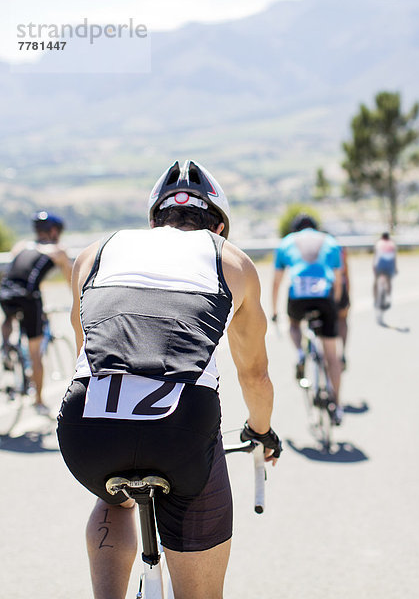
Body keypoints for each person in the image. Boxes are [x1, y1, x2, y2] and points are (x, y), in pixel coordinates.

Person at [57, 160, 281, 599]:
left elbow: (84, 348)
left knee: (114, 495)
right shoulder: (232, 260)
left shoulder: (95, 252)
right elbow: (254, 373)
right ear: (218, 227)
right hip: (181, 427)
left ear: (154, 221)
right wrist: (260, 431)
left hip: (86, 422)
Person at [271, 213, 343, 424]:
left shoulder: (286, 242)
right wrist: (335, 305)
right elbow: (338, 280)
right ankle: (337, 406)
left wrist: (275, 312)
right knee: (332, 356)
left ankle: (301, 353)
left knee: (294, 325)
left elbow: (276, 282)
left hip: (298, 298)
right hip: (325, 298)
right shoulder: (330, 242)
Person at [0, 211, 72, 413]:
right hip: (30, 297)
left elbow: (14, 270)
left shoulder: (21, 245)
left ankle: (6, 347)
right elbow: (70, 279)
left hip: (6, 292)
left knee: (9, 316)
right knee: (35, 351)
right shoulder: (58, 249)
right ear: (54, 231)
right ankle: (38, 401)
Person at [373, 231, 397, 307]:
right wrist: (395, 268)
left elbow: (376, 256)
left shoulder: (379, 243)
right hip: (389, 266)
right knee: (389, 281)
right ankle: (388, 297)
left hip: (380, 265)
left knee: (376, 281)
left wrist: (374, 267)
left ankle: (375, 297)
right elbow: (394, 258)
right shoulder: (392, 244)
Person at [337, 245, 350, 370]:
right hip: (340, 287)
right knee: (342, 320)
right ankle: (342, 352)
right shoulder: (338, 247)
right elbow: (345, 273)